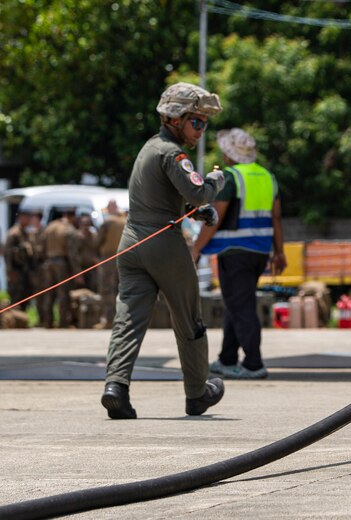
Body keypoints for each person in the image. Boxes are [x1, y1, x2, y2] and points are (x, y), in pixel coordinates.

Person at [101, 82, 227, 420]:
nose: (201, 130)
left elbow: (168, 196)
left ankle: (116, 387)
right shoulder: (173, 153)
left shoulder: (149, 148)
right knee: (189, 318)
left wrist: (192, 207)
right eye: (197, 122)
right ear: (175, 120)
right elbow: (198, 193)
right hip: (163, 243)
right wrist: (218, 180)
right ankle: (198, 393)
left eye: (204, 123)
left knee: (128, 319)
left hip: (131, 243)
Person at [191, 127, 287, 379]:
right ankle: (227, 358)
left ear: (229, 153)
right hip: (260, 251)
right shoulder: (267, 177)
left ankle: (254, 364)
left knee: (241, 306)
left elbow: (216, 216)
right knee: (237, 303)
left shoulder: (231, 177)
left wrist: (197, 248)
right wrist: (280, 252)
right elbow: (276, 218)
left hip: (234, 251)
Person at [38, 208, 81, 328]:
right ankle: (63, 322)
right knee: (63, 293)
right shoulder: (69, 229)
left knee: (49, 293)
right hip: (62, 263)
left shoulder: (49, 227)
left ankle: (48, 321)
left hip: (48, 262)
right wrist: (77, 272)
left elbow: (40, 247)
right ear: (71, 217)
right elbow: (72, 253)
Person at [94, 199, 127, 329]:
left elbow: (97, 242)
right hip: (125, 258)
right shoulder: (126, 221)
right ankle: (124, 321)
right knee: (123, 291)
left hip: (109, 259)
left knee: (107, 290)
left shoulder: (108, 222)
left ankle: (109, 320)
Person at [3, 209, 42, 311]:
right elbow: (7, 253)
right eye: (27, 217)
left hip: (24, 271)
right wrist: (9, 271)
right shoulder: (14, 233)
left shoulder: (26, 233)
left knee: (25, 295)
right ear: (20, 218)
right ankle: (15, 319)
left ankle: (21, 319)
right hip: (16, 270)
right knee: (16, 296)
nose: (29, 220)